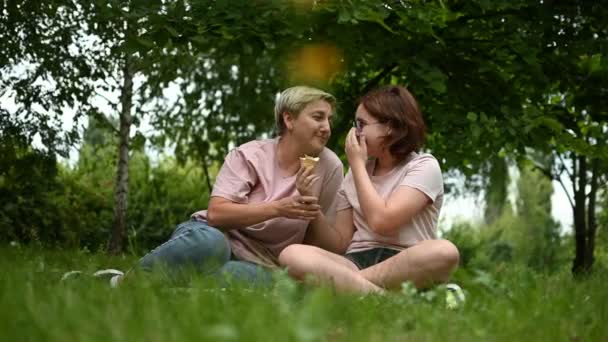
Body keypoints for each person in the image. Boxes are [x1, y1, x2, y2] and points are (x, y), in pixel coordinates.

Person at [107, 86, 345, 287]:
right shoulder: (250, 155)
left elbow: (327, 247)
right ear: (289, 119)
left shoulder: (330, 166)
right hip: (214, 236)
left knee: (249, 278)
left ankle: (170, 286)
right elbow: (217, 213)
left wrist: (312, 210)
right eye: (318, 117)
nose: (327, 127)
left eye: (329, 119)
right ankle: (126, 283)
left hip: (261, 261)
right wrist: (279, 208)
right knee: (212, 246)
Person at [278, 85, 460, 294]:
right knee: (291, 255)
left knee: (445, 251)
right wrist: (310, 201)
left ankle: (347, 287)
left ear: (389, 127)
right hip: (355, 260)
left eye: (362, 124)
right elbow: (340, 243)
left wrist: (356, 164)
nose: (355, 132)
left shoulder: (423, 166)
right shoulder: (356, 172)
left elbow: (382, 221)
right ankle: (384, 298)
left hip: (406, 263)